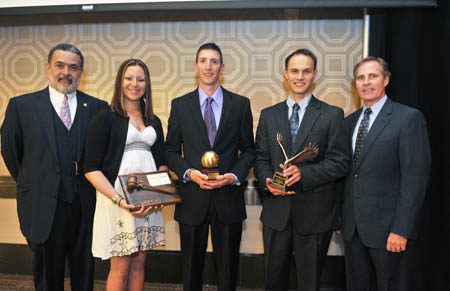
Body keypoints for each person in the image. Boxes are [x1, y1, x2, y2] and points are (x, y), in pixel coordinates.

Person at [0, 43, 108, 290]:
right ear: (48, 67)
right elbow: (11, 152)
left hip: (85, 206)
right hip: (43, 206)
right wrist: (34, 179)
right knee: (48, 278)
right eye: (60, 65)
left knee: (84, 276)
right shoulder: (22, 106)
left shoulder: (97, 109)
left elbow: (102, 157)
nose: (66, 72)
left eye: (73, 67)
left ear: (81, 73)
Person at [254, 48, 349, 291]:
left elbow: (340, 162)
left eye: (306, 71)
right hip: (277, 213)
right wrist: (267, 181)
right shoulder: (268, 115)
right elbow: (261, 158)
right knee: (273, 282)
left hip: (315, 215)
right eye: (294, 70)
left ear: (315, 74)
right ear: (285, 74)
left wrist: (303, 174)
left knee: (309, 283)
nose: (300, 76)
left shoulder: (332, 115)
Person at [165, 43, 256, 291]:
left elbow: (249, 150)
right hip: (192, 198)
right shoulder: (180, 105)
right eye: (203, 61)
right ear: (196, 66)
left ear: (222, 67)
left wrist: (233, 176)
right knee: (191, 270)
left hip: (228, 198)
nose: (208, 66)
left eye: (214, 61)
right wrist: (189, 173)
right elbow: (170, 151)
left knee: (228, 271)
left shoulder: (240, 105)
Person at [340, 57, 431, 291]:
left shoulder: (408, 118)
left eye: (373, 76)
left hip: (389, 231)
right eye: (360, 77)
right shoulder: (348, 123)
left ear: (386, 80)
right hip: (353, 230)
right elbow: (349, 175)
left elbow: (415, 180)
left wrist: (402, 229)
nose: (366, 82)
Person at [84, 59, 167, 290]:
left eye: (140, 79)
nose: (135, 84)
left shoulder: (155, 121)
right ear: (120, 82)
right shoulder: (105, 118)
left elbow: (162, 164)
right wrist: (119, 200)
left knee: (140, 263)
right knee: (120, 266)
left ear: (147, 84)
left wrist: (156, 196)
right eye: (129, 78)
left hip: (147, 201)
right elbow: (90, 168)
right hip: (116, 201)